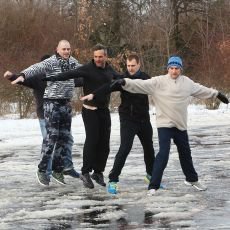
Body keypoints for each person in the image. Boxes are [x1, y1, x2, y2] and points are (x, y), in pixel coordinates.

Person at [114, 55, 228, 196]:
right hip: (165, 124)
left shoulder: (187, 83)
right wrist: (124, 82)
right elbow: (140, 84)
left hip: (180, 125)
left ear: (180, 69)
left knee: (185, 153)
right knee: (164, 153)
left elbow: (201, 89)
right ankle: (153, 185)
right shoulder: (159, 82)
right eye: (171, 68)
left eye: (177, 68)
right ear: (168, 68)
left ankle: (192, 179)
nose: (174, 71)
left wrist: (216, 94)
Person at [6, 40, 82, 186]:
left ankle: (57, 170)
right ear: (57, 50)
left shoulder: (73, 62)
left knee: (64, 138)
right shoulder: (51, 62)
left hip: (65, 103)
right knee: (52, 137)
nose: (66, 51)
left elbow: (86, 71)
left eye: (68, 49)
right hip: (51, 104)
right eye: (63, 49)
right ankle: (42, 170)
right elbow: (36, 68)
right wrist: (22, 75)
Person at [44, 44, 118, 189]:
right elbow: (69, 74)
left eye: (100, 56)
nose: (97, 59)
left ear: (105, 56)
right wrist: (53, 78)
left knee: (104, 144)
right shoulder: (87, 69)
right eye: (95, 56)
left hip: (104, 110)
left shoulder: (109, 69)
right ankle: (85, 172)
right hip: (90, 110)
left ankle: (98, 172)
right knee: (92, 140)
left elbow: (119, 79)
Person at [80, 54, 156, 194]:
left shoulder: (146, 78)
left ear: (139, 65)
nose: (130, 68)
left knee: (149, 148)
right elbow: (108, 87)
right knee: (125, 148)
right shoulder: (123, 80)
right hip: (128, 119)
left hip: (144, 118)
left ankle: (151, 177)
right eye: (128, 66)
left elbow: (159, 89)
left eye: (133, 65)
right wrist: (93, 95)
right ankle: (113, 180)